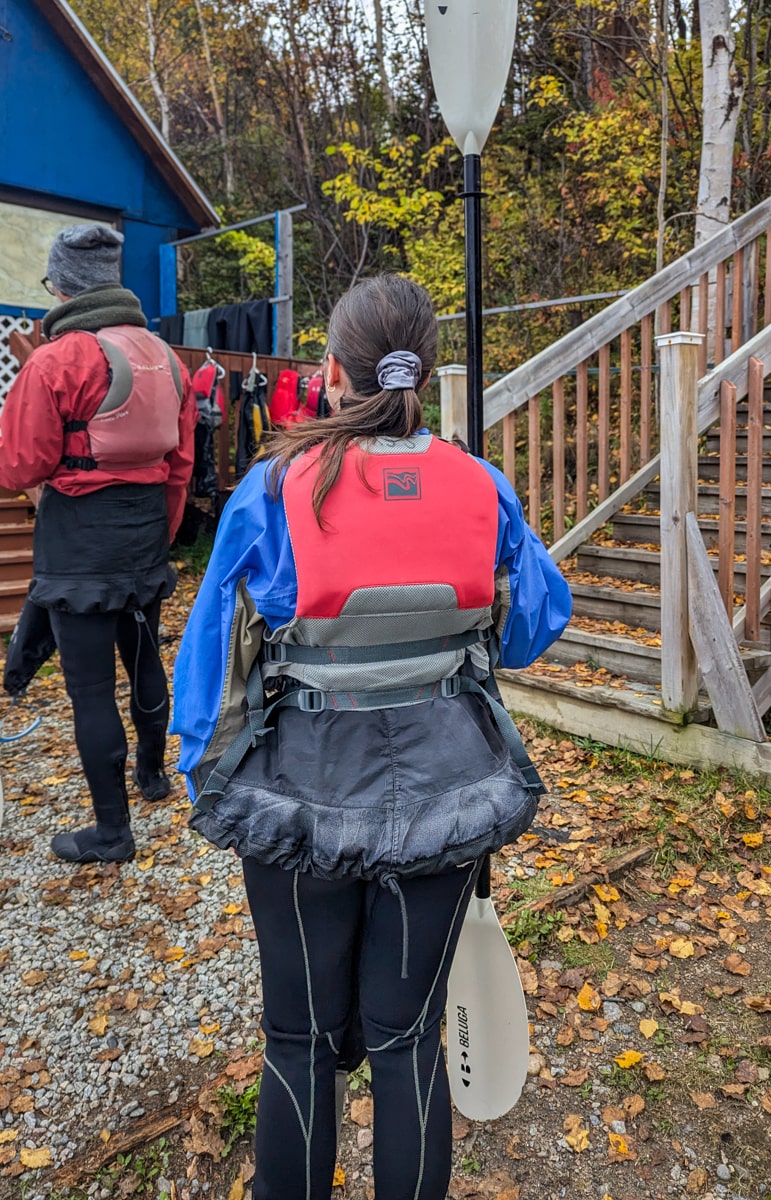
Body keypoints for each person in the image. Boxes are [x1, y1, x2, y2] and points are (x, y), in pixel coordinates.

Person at [172, 274, 571, 1200]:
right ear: (420, 376)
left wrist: (203, 770)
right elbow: (537, 617)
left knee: (298, 1039)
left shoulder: (277, 487)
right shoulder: (481, 483)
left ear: (329, 372)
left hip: (299, 793)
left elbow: (207, 655)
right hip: (450, 786)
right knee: (405, 1041)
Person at [0, 223, 197, 864]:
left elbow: (19, 465)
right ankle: (153, 775)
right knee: (144, 662)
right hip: (143, 537)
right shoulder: (166, 358)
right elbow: (181, 463)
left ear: (60, 286)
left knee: (89, 688)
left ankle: (112, 832)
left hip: (79, 544)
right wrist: (158, 537)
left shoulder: (55, 360)